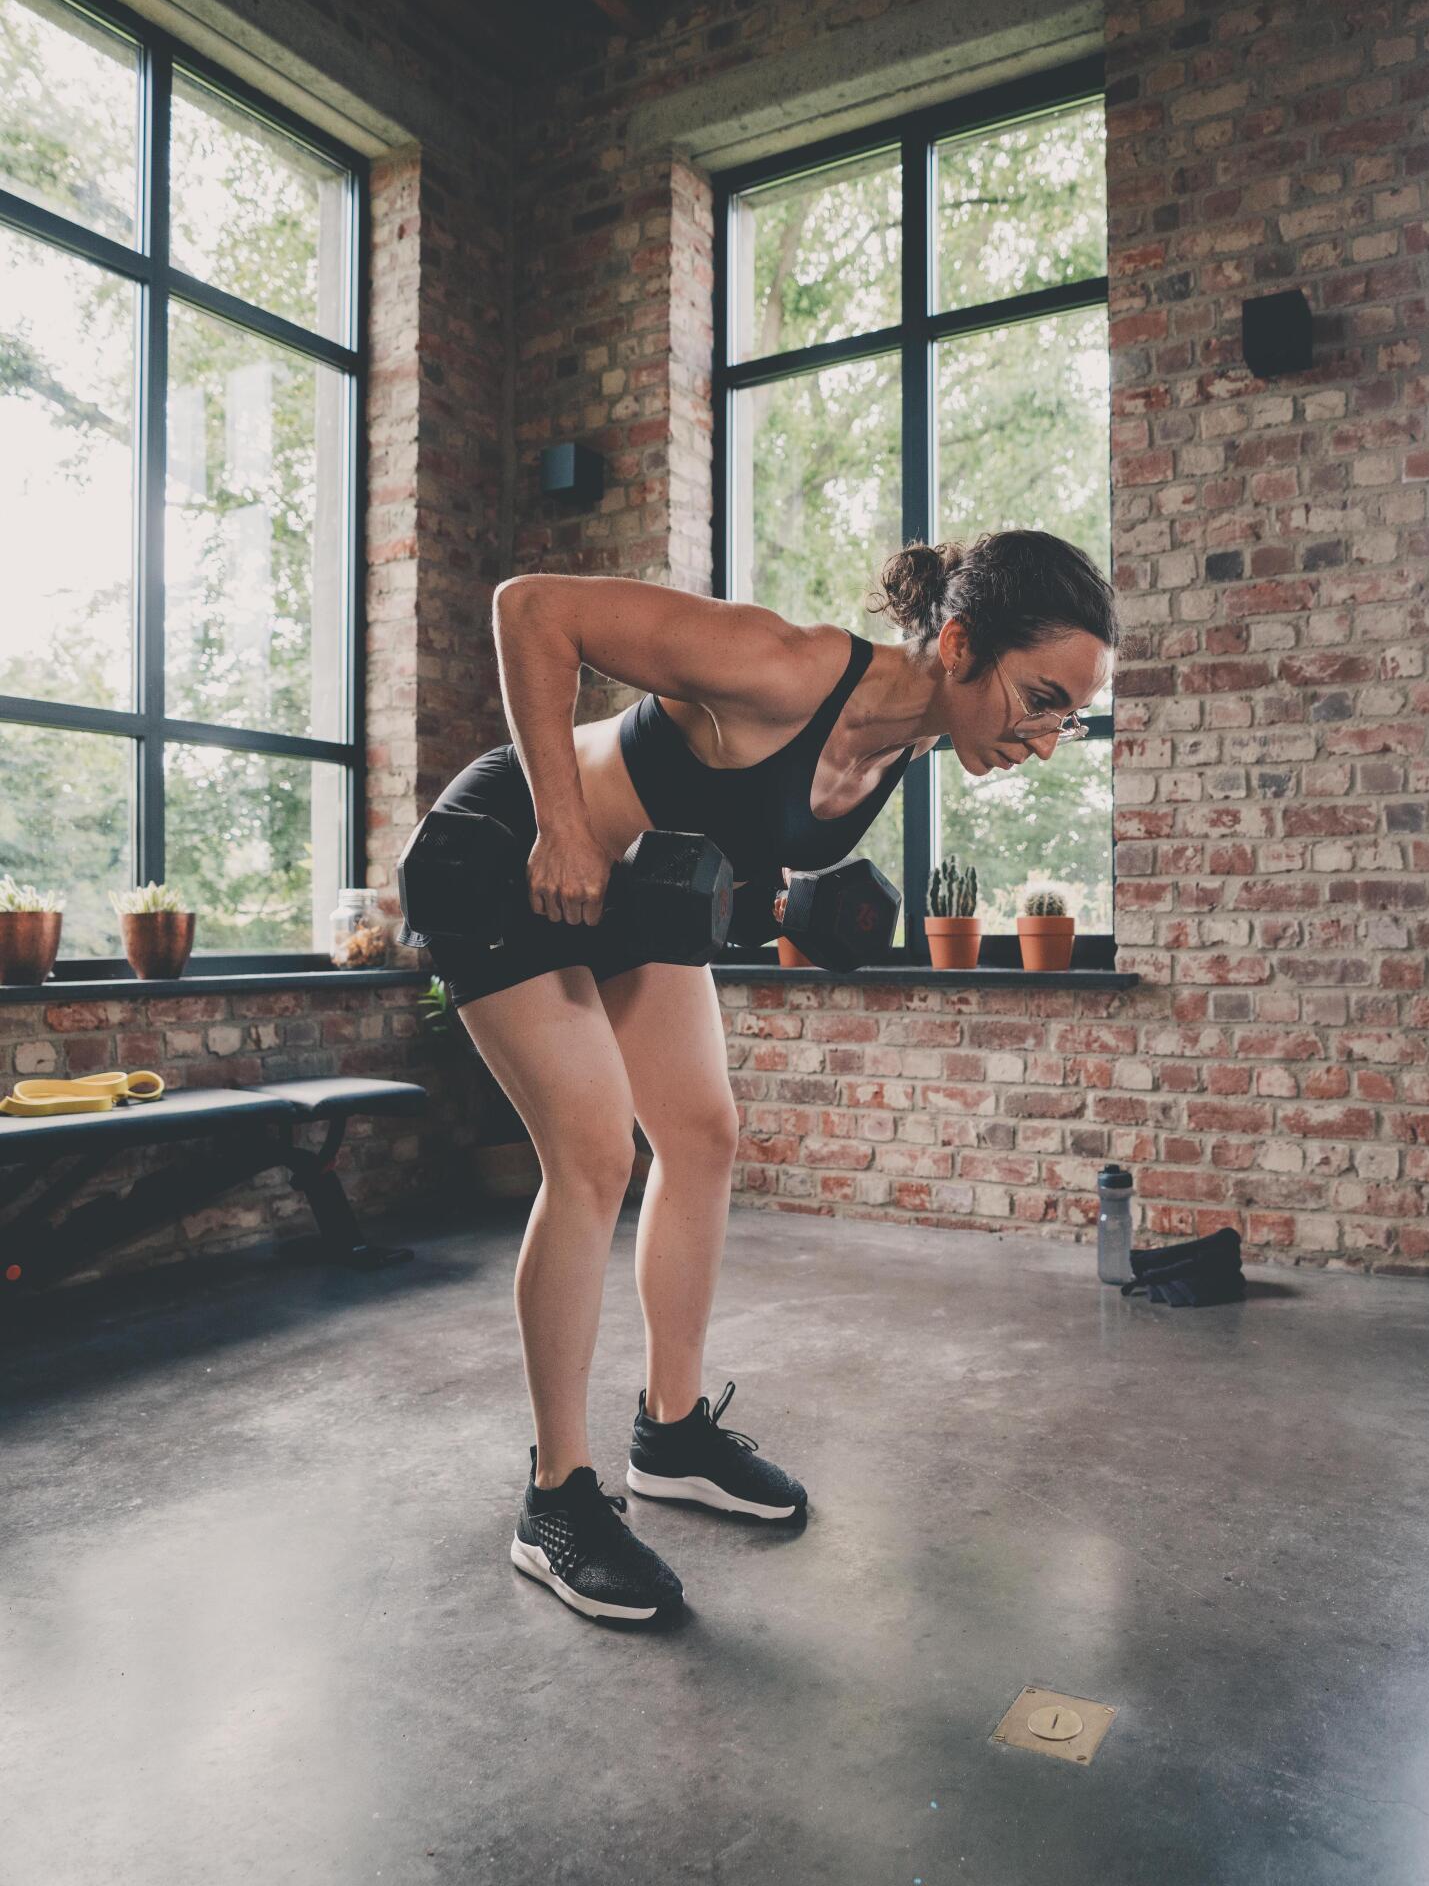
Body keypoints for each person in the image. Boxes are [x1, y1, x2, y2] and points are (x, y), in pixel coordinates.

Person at [404, 528, 1116, 1625]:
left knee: (702, 1136)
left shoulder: (903, 743)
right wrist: (558, 826)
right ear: (962, 644)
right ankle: (555, 1500)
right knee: (593, 1154)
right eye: (1041, 698)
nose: (1047, 738)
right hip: (506, 855)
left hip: (629, 895)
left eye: (1066, 714)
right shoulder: (785, 667)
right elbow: (532, 609)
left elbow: (725, 810)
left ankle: (673, 1431)